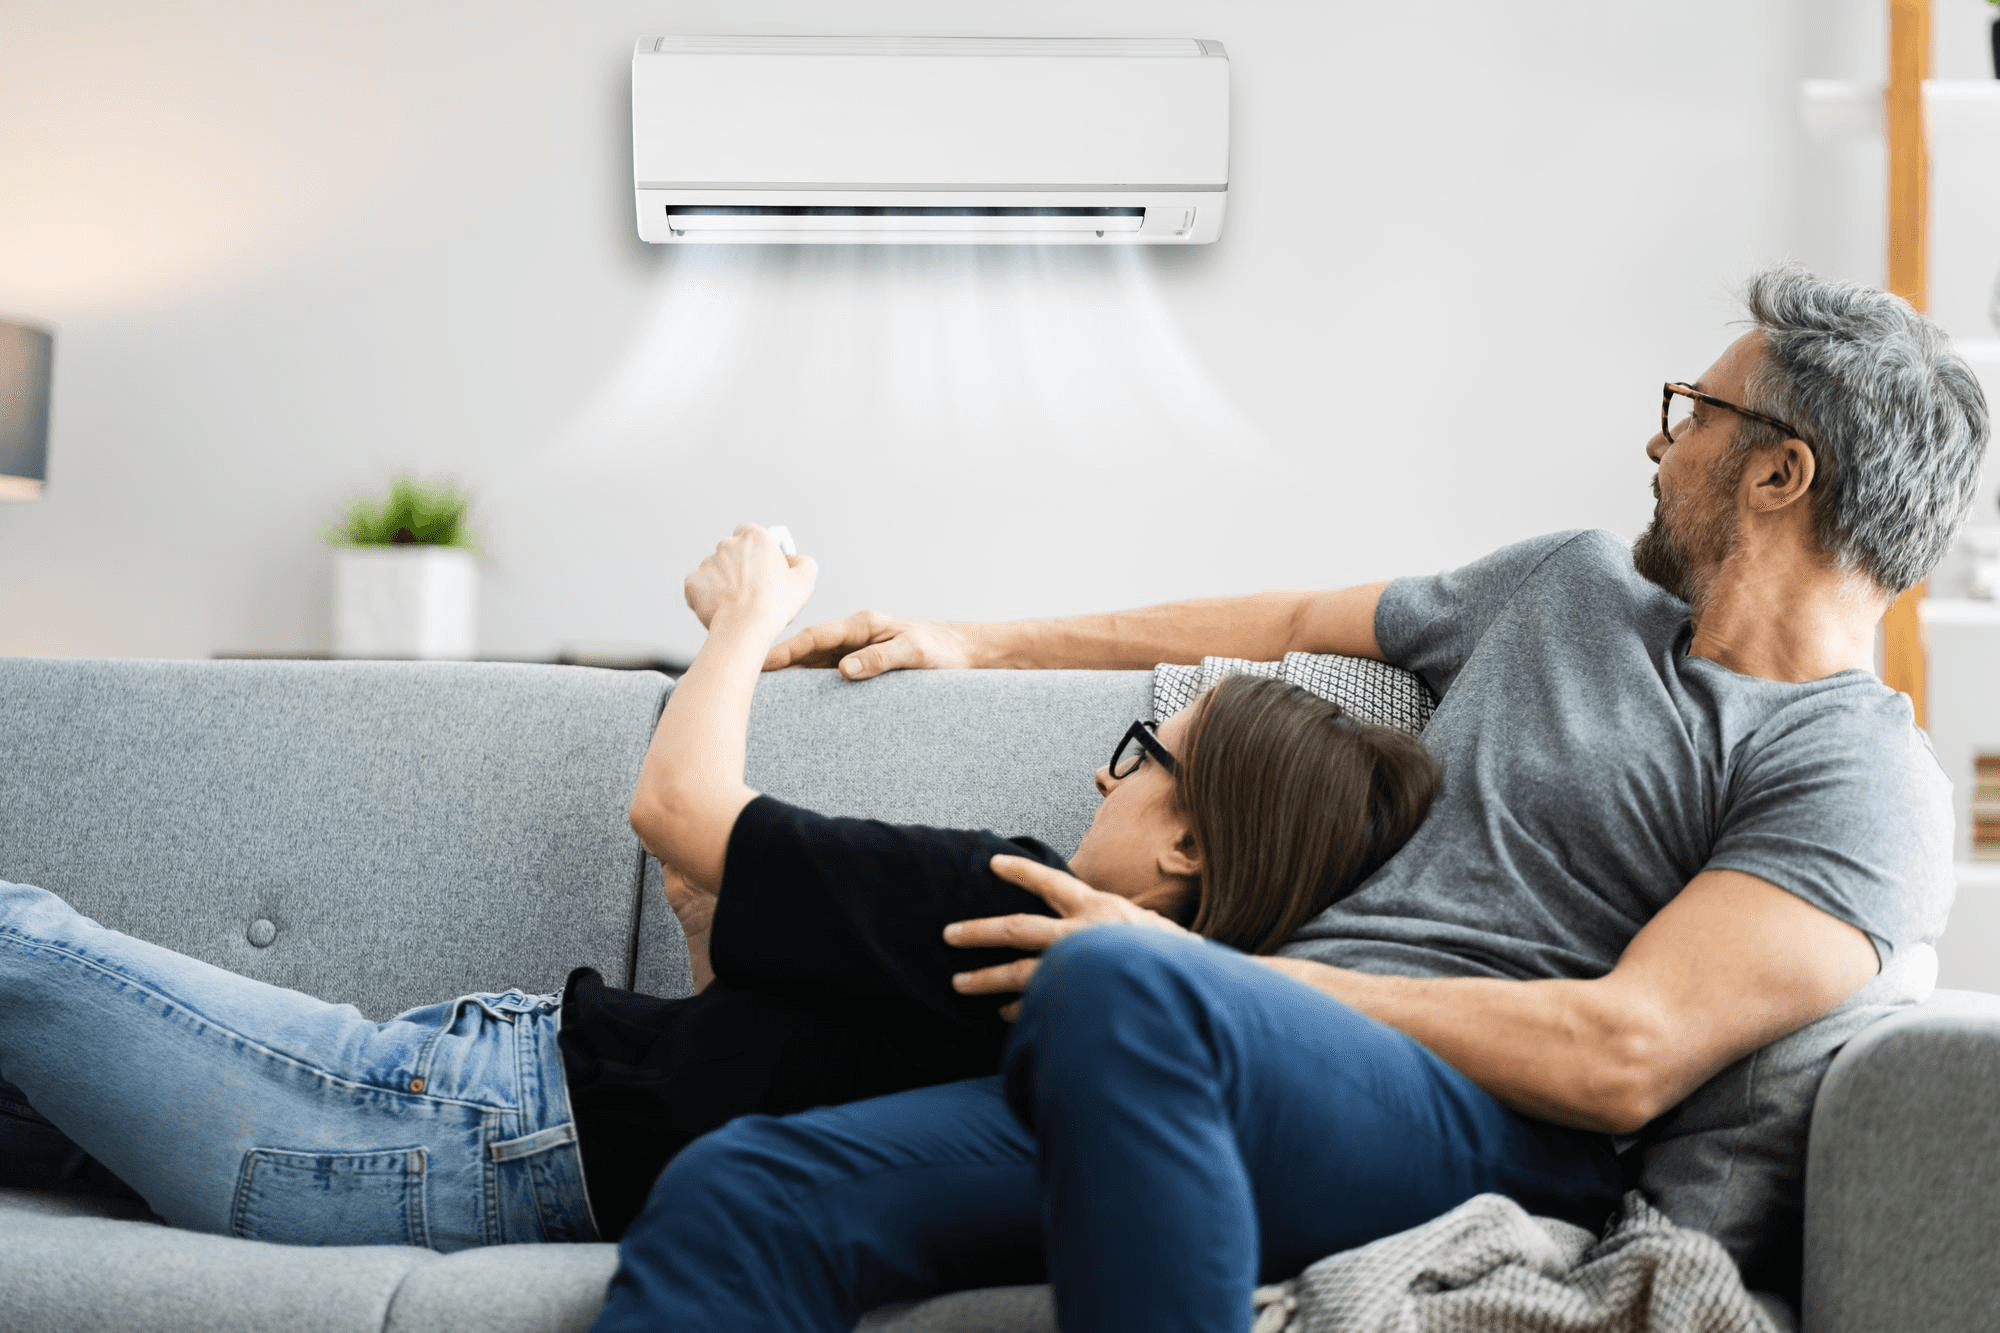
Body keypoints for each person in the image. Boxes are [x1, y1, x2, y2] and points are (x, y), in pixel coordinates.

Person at [588, 266, 1988, 1333]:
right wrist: (981, 640)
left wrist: (1209, 977)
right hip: (1207, 1062)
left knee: (1117, 987)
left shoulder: (1857, 776)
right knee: (739, 1192)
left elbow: (1620, 1053)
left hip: (1480, 1128)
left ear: (1778, 471)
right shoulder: (1568, 583)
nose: (1659, 448)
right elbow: (1294, 617)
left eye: (1693, 415)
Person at [0, 532, 1440, 1252]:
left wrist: (745, 616)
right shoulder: (1114, 1038)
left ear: (1188, 846)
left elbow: (674, 808)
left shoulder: (1008, 894)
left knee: (19, 940)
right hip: (476, 1122)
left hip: (437, 1119)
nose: (1103, 778)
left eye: (1141, 754)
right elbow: (754, 1066)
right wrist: (711, 928)